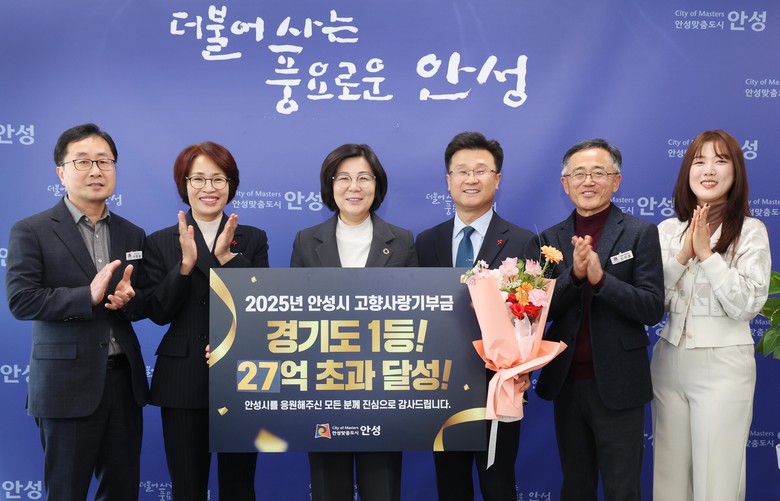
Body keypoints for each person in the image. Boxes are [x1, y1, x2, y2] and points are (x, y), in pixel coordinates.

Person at [5, 123, 148, 500]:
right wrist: (86, 295)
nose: (96, 170)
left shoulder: (132, 233)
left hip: (123, 383)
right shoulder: (31, 230)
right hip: (65, 386)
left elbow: (139, 301)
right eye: (83, 161)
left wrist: (129, 301)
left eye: (104, 161)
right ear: (61, 172)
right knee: (66, 491)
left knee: (122, 491)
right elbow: (21, 300)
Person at [532, 138, 664, 500]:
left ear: (616, 181)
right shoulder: (548, 240)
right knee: (576, 488)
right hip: (567, 382)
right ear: (565, 184)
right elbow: (539, 312)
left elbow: (652, 307)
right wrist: (574, 277)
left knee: (622, 489)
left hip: (620, 384)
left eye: (598, 173)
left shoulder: (640, 233)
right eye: (579, 173)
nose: (588, 181)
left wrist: (601, 279)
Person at [141, 142, 268, 500]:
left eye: (218, 179)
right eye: (198, 178)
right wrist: (184, 267)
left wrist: (228, 259)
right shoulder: (160, 241)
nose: (208, 188)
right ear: (184, 184)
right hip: (182, 378)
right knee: (187, 488)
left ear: (231, 184)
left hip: (241, 376)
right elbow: (158, 312)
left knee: (239, 487)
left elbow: (262, 305)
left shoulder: (253, 238)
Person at [290, 143, 416, 501]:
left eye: (364, 177)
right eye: (343, 178)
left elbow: (415, 314)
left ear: (377, 185)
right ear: (330, 185)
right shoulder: (306, 241)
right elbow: (292, 313)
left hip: (383, 389)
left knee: (382, 490)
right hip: (324, 386)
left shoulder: (403, 241)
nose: (354, 187)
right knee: (329, 490)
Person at [651, 130, 771, 501]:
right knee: (669, 481)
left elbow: (746, 304)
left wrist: (707, 255)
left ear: (736, 172)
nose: (709, 170)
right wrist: (683, 255)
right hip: (668, 362)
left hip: (723, 366)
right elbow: (652, 303)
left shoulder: (751, 231)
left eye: (720, 161)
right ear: (687, 170)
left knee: (716, 482)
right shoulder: (667, 231)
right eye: (699, 161)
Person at [415, 131, 535, 501]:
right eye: (462, 171)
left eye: (481, 171)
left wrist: (522, 369)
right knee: (450, 486)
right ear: (448, 180)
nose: (471, 179)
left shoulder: (522, 241)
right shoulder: (426, 242)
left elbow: (532, 315)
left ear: (497, 179)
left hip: (498, 386)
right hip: (441, 384)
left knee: (498, 486)